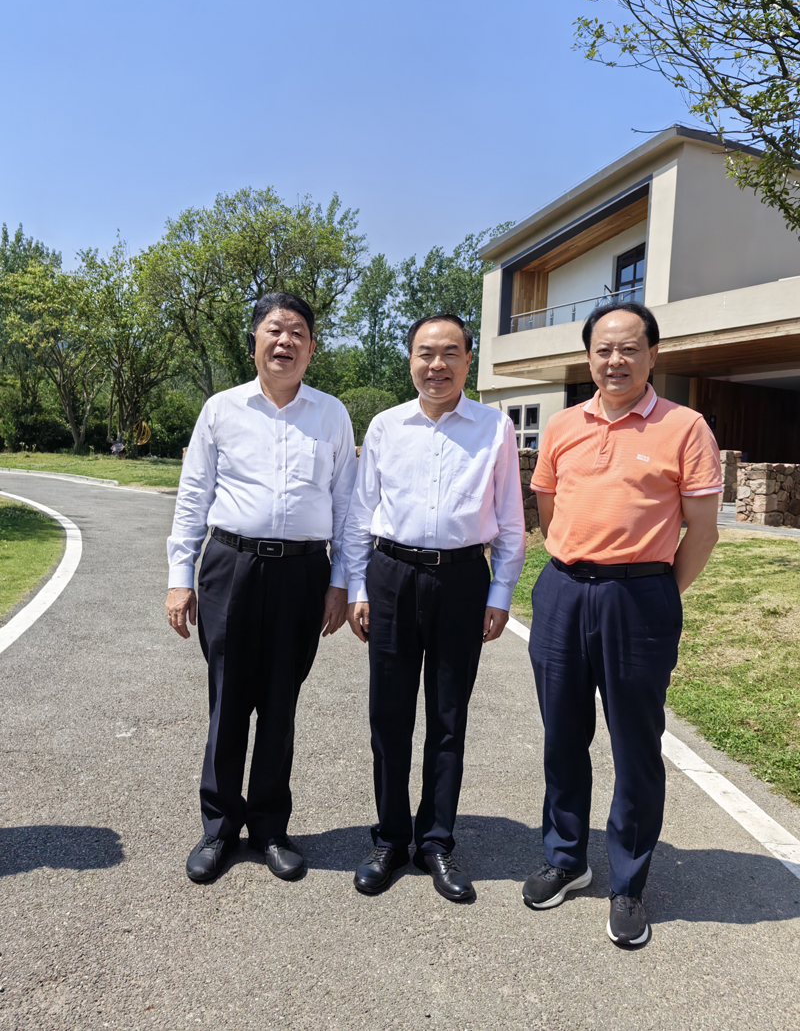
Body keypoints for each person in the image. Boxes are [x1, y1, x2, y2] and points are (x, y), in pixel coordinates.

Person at [523, 300, 721, 946]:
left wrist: (655, 591)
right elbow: (548, 507)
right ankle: (565, 856)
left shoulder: (685, 427)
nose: (615, 360)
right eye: (603, 349)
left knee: (635, 744)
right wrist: (578, 564)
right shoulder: (562, 426)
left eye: (629, 348)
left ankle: (629, 881)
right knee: (561, 733)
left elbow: (702, 530)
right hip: (563, 591)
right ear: (588, 358)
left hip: (639, 598)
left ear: (653, 355)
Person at [166, 291, 357, 884]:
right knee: (228, 699)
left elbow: (348, 508)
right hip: (231, 566)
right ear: (254, 341)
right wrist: (179, 578)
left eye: (298, 332)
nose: (285, 341)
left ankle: (271, 827)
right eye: (275, 330)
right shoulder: (221, 409)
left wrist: (340, 583)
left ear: (312, 348)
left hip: (303, 572)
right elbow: (193, 496)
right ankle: (219, 827)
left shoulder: (331, 414)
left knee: (280, 701)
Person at [343, 314, 526, 902]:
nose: (437, 365)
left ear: (469, 360)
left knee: (448, 717)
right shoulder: (386, 425)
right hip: (391, 575)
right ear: (410, 360)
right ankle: (391, 838)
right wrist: (357, 588)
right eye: (425, 353)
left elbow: (512, 520)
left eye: (450, 352)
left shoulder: (495, 428)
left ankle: (437, 842)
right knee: (389, 715)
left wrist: (500, 594)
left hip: (462, 579)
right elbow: (360, 513)